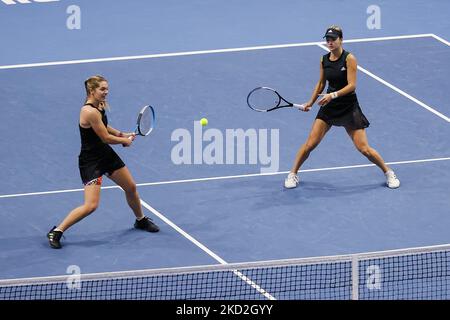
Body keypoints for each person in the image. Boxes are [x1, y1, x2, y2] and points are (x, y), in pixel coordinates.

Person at [47, 75, 159, 249]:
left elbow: (103, 125)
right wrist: (124, 141)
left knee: (130, 187)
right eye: (102, 89)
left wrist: (121, 134)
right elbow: (105, 137)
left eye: (107, 89)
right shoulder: (88, 111)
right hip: (91, 162)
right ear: (92, 90)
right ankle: (57, 231)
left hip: (106, 156)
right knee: (91, 205)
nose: (106, 92)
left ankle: (141, 220)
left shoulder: (99, 106)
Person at [284, 26, 400, 189]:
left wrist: (332, 95)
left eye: (333, 39)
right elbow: (321, 82)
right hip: (329, 106)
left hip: (348, 107)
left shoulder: (349, 58)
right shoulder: (323, 59)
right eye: (328, 39)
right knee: (310, 144)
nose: (330, 42)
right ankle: (292, 174)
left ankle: (388, 172)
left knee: (364, 149)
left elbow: (352, 85)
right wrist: (310, 102)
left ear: (341, 40)